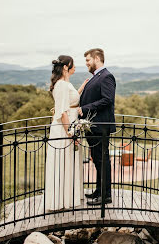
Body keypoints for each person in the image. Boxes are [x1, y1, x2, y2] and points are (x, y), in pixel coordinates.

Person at [45, 55, 88, 211]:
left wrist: (82, 87)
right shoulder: (62, 85)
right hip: (65, 129)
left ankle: (67, 196)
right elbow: (63, 112)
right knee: (64, 162)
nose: (75, 67)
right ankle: (62, 200)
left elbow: (69, 101)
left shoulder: (64, 84)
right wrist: (71, 133)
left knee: (68, 162)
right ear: (66, 67)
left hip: (68, 126)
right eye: (73, 64)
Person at [78, 48, 116, 205]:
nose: (86, 63)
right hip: (93, 127)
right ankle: (99, 191)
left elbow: (107, 99)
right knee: (97, 160)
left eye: (88, 60)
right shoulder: (95, 77)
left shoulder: (106, 76)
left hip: (101, 126)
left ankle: (106, 196)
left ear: (97, 59)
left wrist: (84, 109)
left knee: (102, 160)